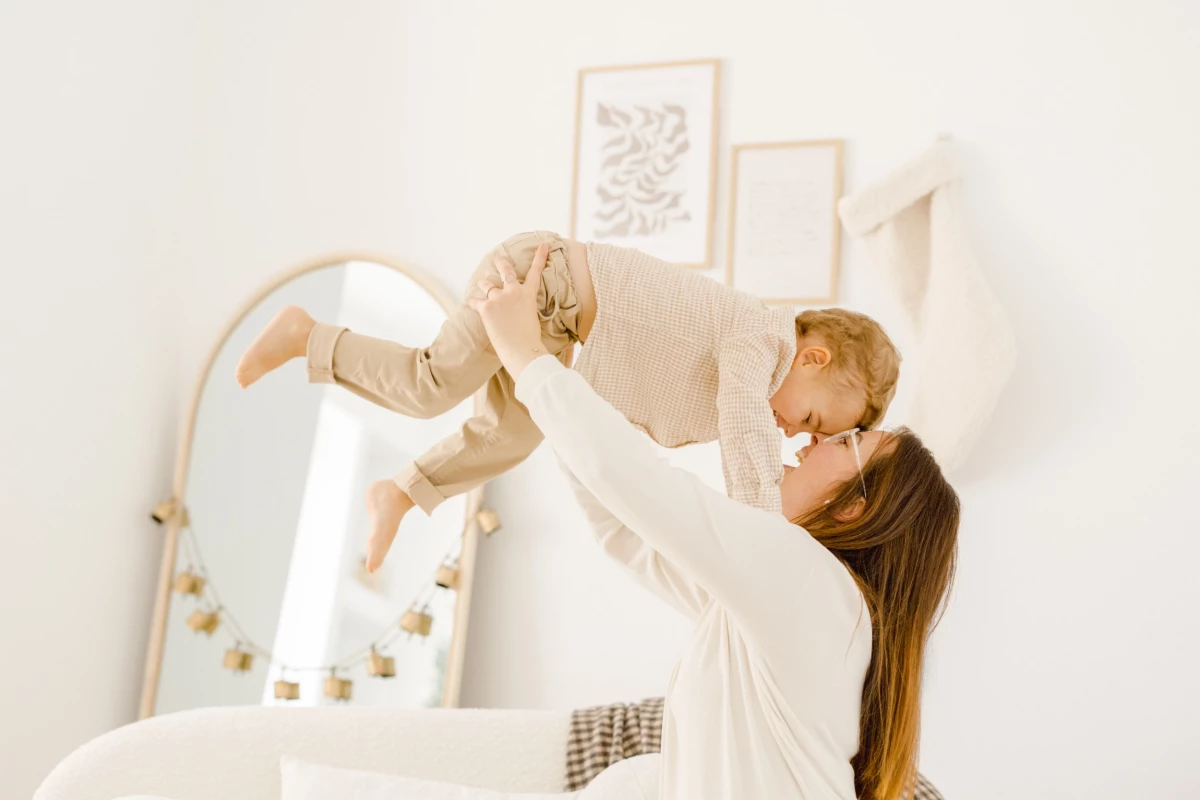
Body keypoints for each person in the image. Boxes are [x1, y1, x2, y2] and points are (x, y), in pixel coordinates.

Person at [467, 255, 960, 800]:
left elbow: (638, 482)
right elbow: (630, 537)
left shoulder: (810, 585)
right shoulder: (800, 601)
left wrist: (529, 359)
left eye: (845, 441)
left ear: (855, 507)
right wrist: (562, 372)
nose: (810, 440)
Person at [235, 232, 901, 572]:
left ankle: (404, 492)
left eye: (809, 436)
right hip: (540, 283)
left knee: (510, 437)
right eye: (808, 419)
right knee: (430, 385)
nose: (790, 432)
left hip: (556, 340)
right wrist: (761, 528)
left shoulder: (751, 384)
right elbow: (744, 422)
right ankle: (307, 336)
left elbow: (637, 424)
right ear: (812, 357)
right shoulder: (764, 337)